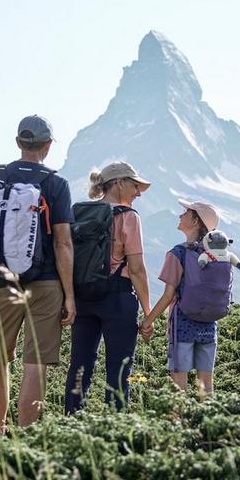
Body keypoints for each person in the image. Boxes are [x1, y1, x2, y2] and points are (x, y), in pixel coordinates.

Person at [0, 115, 75, 431]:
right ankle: (27, 435)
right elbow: (63, 243)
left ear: (19, 143)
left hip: (3, 282)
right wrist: (70, 296)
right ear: (47, 146)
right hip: (45, 284)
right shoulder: (56, 184)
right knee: (36, 363)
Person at [64, 162, 153, 412]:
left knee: (80, 365)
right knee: (119, 367)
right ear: (118, 183)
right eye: (135, 185)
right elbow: (136, 269)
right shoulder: (128, 217)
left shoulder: (80, 213)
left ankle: (71, 423)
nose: (138, 191)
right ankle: (114, 429)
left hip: (83, 296)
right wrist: (148, 312)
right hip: (118, 298)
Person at [141, 199, 221, 398]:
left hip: (182, 327)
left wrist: (147, 322)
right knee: (206, 385)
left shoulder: (178, 253)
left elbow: (169, 295)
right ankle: (209, 424)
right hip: (209, 327)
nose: (180, 215)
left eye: (185, 213)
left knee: (178, 386)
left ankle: (178, 425)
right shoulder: (218, 254)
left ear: (195, 221)